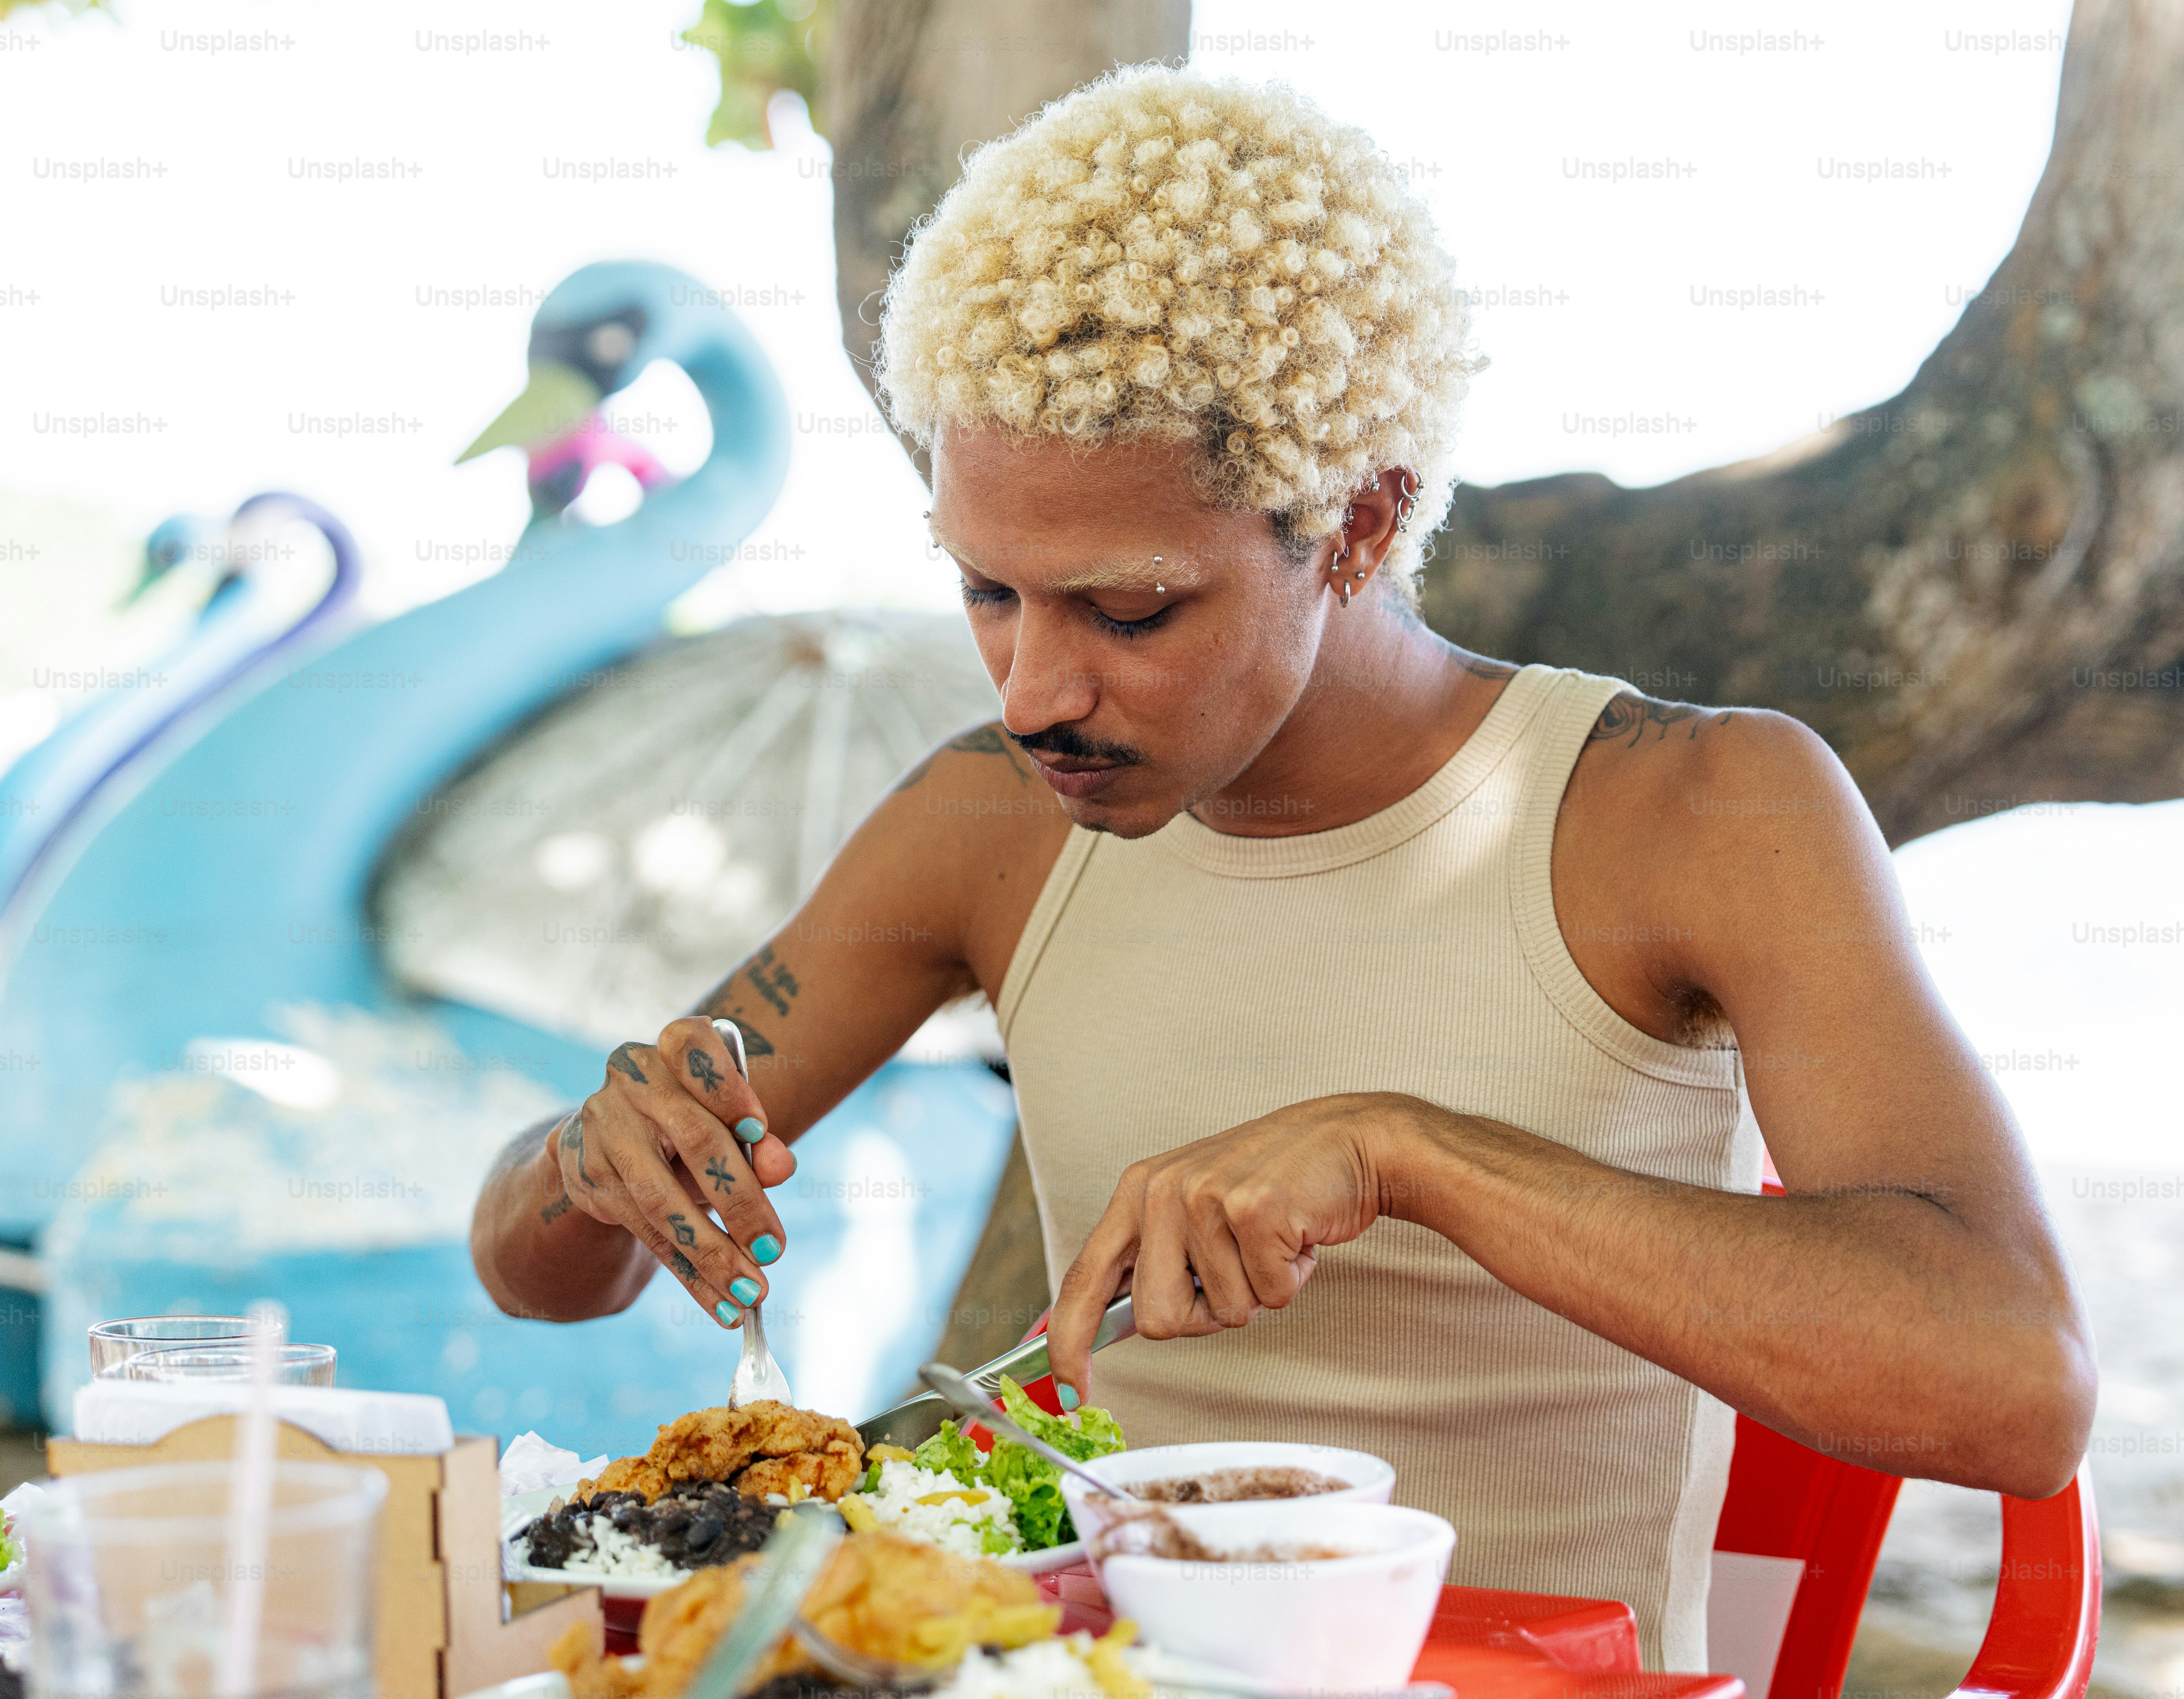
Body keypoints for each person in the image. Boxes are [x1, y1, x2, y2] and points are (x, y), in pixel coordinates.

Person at [470, 67, 2094, 1670]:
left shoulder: (1691, 809)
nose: (1034, 692)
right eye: (987, 592)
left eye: (1129, 612)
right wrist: (590, 1161)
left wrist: (1412, 1153)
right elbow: (543, 1268)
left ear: (1363, 526)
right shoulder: (989, 823)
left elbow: (2012, 1385)